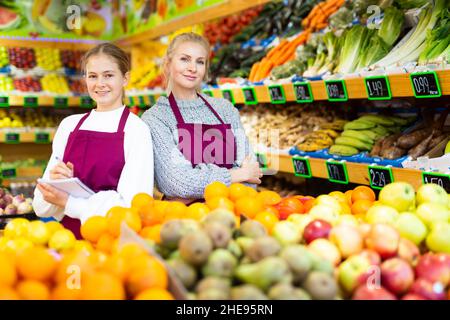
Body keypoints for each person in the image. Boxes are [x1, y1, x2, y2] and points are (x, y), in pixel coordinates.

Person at [33, 43, 154, 238]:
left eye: (108, 75)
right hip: (65, 243)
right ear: (85, 79)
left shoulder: (136, 130)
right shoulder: (68, 126)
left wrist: (69, 202)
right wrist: (55, 183)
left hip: (110, 245)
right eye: (92, 76)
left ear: (125, 78)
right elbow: (40, 206)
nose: (100, 84)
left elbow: (132, 209)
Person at [141, 32, 261, 203]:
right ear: (167, 64)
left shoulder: (225, 109)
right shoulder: (155, 118)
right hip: (185, 219)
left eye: (200, 62)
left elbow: (252, 173)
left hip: (233, 209)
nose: (193, 68)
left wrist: (199, 182)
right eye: (184, 59)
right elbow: (177, 182)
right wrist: (239, 174)